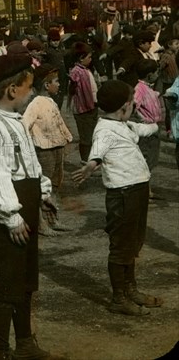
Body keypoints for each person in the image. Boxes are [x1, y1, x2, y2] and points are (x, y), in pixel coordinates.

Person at [0, 53, 57, 360]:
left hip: (26, 204)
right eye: (29, 87)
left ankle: (24, 342)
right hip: (9, 213)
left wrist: (43, 193)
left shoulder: (15, 122)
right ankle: (0, 351)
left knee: (25, 282)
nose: (32, 93)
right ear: (12, 91)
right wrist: (10, 215)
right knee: (9, 285)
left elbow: (28, 164)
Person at [72, 80, 162, 316]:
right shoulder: (104, 130)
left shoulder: (124, 124)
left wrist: (155, 125)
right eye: (132, 103)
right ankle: (118, 297)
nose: (134, 106)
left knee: (133, 242)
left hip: (138, 190)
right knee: (122, 245)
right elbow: (97, 152)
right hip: (123, 194)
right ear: (124, 107)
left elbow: (143, 130)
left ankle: (130, 289)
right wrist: (91, 165)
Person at [22, 64, 74, 236]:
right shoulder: (35, 104)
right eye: (56, 82)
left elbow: (58, 122)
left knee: (55, 184)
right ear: (46, 85)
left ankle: (52, 219)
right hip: (44, 150)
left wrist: (67, 137)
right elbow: (24, 125)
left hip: (57, 147)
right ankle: (41, 223)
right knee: (42, 186)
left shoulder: (51, 101)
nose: (59, 85)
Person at [133, 59, 163, 189]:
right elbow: (134, 105)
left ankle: (146, 188)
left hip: (154, 128)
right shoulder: (139, 89)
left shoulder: (147, 87)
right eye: (156, 72)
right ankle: (144, 188)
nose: (157, 74)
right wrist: (141, 118)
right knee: (146, 158)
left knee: (152, 158)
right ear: (149, 74)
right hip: (147, 130)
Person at [68, 42, 99, 164]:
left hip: (91, 106)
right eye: (89, 57)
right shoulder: (77, 71)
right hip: (84, 108)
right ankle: (85, 161)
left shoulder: (84, 70)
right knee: (86, 137)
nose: (91, 60)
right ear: (81, 58)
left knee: (91, 135)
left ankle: (90, 160)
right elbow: (75, 90)